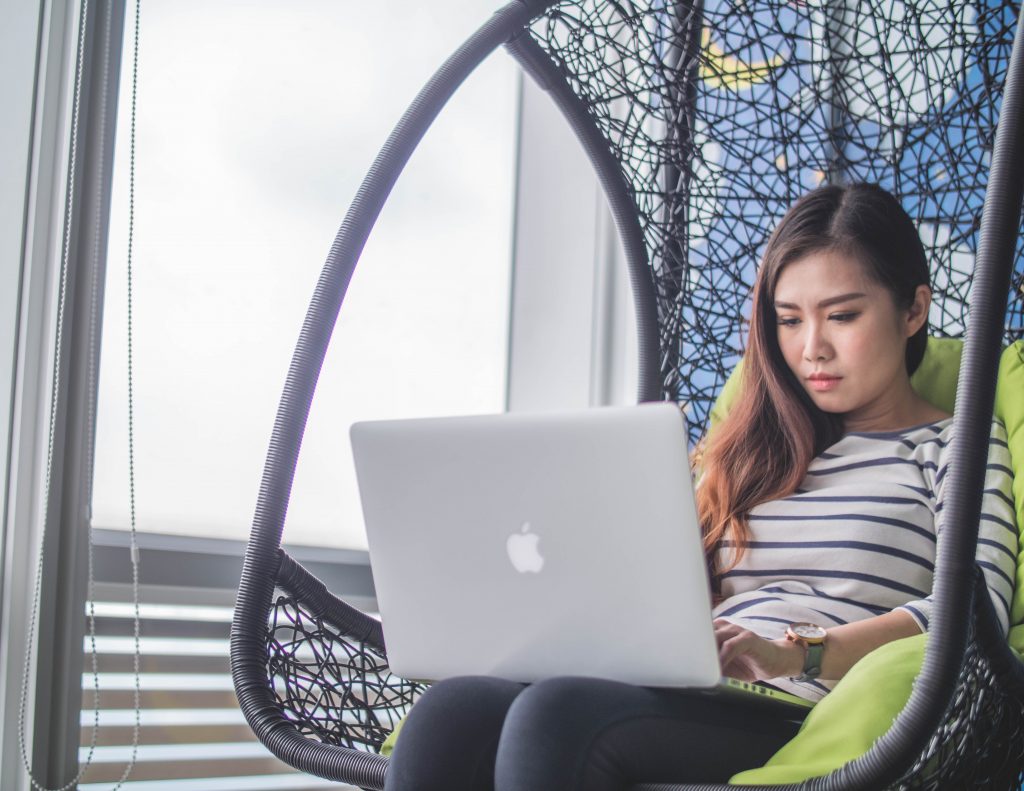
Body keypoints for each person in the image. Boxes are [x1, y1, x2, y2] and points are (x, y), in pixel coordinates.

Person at [383, 182, 1017, 791]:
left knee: (556, 720)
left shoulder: (955, 445)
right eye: (789, 321)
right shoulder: (756, 446)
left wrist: (797, 654)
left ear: (913, 309)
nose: (812, 349)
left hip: (803, 704)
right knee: (451, 713)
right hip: (696, 683)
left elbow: (975, 613)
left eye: (842, 316)